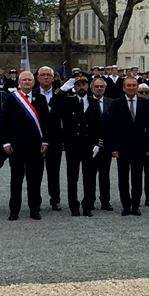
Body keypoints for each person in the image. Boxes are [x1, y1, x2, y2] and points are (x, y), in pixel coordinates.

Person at [0, 70, 49, 220]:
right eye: (24, 80)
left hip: (35, 145)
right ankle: (14, 209)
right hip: (16, 145)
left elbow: (47, 122)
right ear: (19, 82)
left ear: (34, 82)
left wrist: (45, 141)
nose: (27, 82)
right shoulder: (11, 98)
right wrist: (5, 142)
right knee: (16, 179)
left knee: (34, 179)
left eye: (29, 80)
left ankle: (34, 209)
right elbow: (4, 121)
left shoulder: (40, 99)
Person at [105, 77, 149, 216]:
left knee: (137, 177)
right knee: (123, 178)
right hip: (122, 147)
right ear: (123, 87)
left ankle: (135, 205)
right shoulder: (116, 103)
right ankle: (125, 205)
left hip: (140, 146)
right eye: (129, 85)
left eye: (134, 85)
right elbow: (112, 127)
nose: (131, 88)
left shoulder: (144, 103)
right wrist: (113, 148)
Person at [59, 75, 103, 216]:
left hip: (89, 145)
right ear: (74, 87)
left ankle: (87, 205)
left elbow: (99, 125)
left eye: (84, 84)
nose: (81, 87)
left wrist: (98, 143)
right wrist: (62, 89)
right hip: (73, 145)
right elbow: (53, 103)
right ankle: (74, 206)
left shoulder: (94, 102)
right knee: (72, 177)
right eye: (78, 85)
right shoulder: (67, 101)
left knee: (89, 177)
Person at [35, 66, 64, 211]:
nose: (46, 78)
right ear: (38, 78)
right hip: (36, 138)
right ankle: (36, 200)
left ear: (53, 78)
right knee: (36, 171)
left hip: (55, 137)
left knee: (53, 171)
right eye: (43, 75)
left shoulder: (61, 94)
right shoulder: (32, 95)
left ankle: (55, 199)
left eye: (48, 75)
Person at [91, 77, 115, 211]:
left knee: (105, 175)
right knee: (90, 174)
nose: (99, 89)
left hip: (106, 144)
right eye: (96, 86)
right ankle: (90, 199)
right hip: (91, 144)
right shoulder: (86, 101)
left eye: (101, 87)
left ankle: (105, 200)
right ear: (92, 88)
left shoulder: (111, 103)